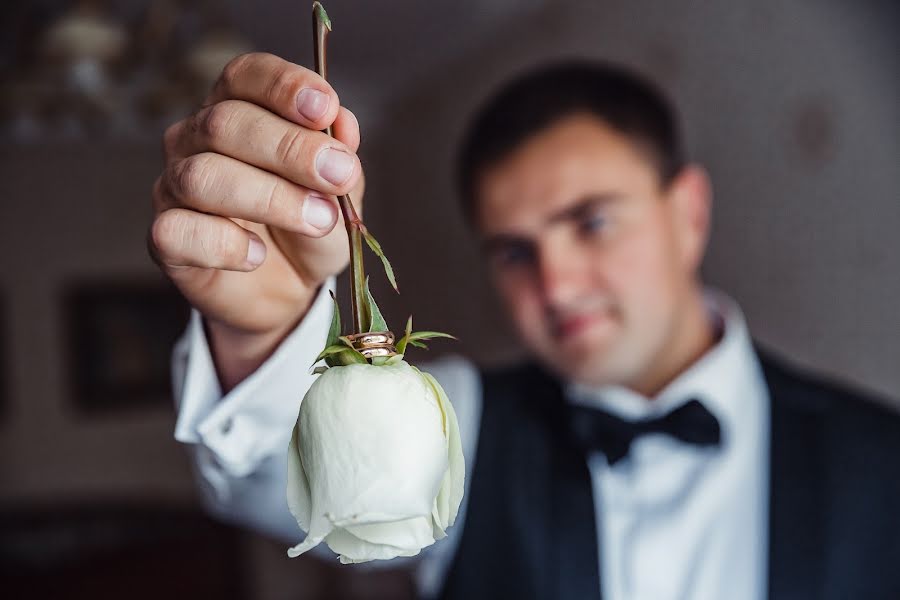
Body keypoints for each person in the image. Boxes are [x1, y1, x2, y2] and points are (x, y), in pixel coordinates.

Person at [149, 53, 900, 599]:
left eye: (593, 221)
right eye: (515, 251)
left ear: (689, 212)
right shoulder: (462, 428)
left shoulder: (883, 459)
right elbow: (272, 482)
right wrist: (260, 331)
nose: (558, 283)